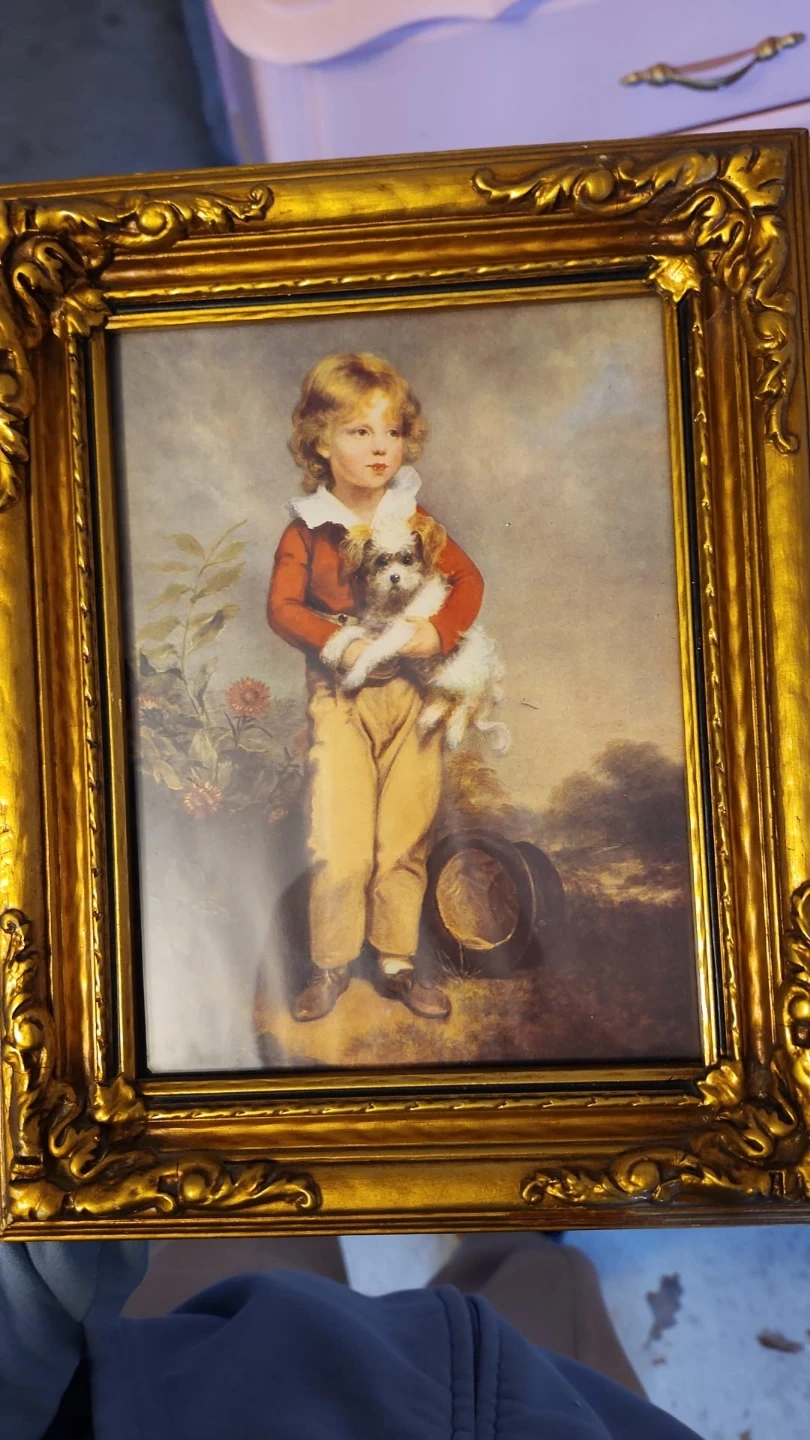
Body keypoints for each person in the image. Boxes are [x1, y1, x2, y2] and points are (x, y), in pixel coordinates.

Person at [0, 1231, 705, 1440]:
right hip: (538, 1411)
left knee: (257, 1198)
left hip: (180, 1386)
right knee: (545, 1285)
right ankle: (515, 1215)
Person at [267, 351, 484, 1024]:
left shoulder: (415, 519)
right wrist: (342, 642)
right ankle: (331, 963)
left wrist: (436, 633)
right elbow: (283, 608)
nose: (380, 446)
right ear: (320, 443)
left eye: (390, 431)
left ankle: (396, 961)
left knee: (404, 832)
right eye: (360, 432)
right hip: (342, 698)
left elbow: (468, 583)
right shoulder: (308, 528)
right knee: (340, 839)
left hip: (414, 695)